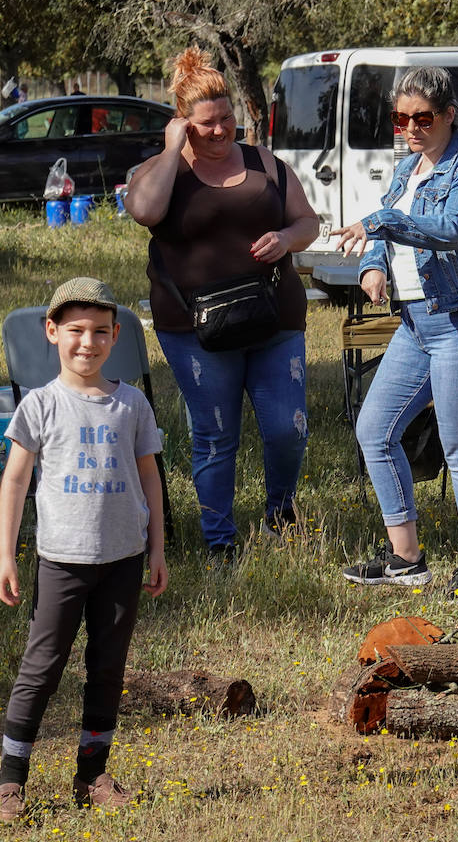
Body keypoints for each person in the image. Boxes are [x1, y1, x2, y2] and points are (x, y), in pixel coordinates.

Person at [126, 47, 319, 559]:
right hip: (194, 328)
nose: (220, 130)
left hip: (274, 317)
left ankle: (281, 515)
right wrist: (171, 152)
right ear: (183, 124)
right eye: (206, 123)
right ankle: (220, 542)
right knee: (214, 434)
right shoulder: (159, 171)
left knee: (286, 429)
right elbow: (145, 211)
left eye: (227, 118)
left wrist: (285, 238)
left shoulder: (265, 162)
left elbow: (309, 222)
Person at [0, 278, 167, 821]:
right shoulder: (41, 405)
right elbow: (15, 483)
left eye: (99, 332)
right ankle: (10, 780)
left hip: (123, 559)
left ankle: (92, 773)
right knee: (41, 668)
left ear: (115, 337)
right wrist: (7, 555)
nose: (87, 343)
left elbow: (151, 479)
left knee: (108, 668)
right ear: (52, 333)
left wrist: (157, 548)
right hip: (62, 561)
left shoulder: (131, 403)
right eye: (75, 331)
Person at [331, 66, 458, 593]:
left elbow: (452, 231)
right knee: (374, 431)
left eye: (422, 118)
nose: (411, 128)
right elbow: (391, 220)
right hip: (416, 322)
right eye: (400, 118)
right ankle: (406, 559)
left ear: (449, 116)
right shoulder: (405, 169)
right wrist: (375, 265)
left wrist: (378, 226)